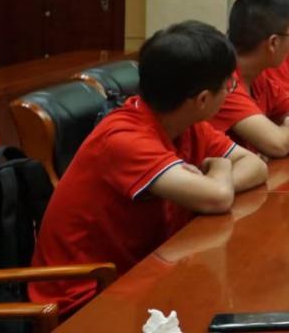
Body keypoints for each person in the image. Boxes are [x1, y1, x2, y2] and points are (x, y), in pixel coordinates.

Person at [29, 22, 268, 315]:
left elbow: (255, 166)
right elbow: (217, 197)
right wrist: (219, 169)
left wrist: (214, 181)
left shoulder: (186, 124)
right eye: (228, 86)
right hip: (85, 300)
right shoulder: (124, 138)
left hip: (143, 273)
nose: (230, 92)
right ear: (203, 99)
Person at [212, 0, 289, 157]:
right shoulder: (224, 83)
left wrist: (286, 132)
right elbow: (278, 144)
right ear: (273, 43)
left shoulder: (258, 77)